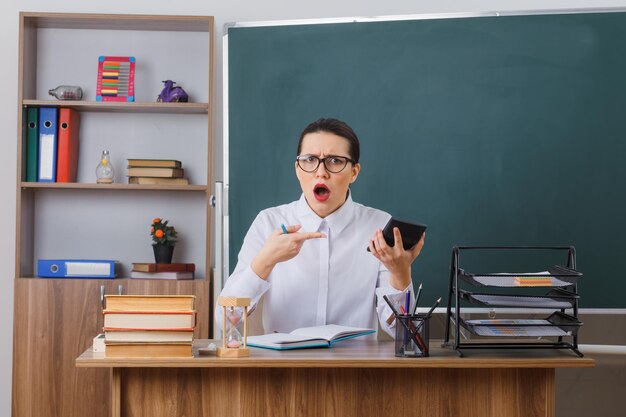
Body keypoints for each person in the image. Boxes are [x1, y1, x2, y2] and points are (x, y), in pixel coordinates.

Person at [216, 118, 425, 338]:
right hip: (284, 367)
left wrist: (400, 274)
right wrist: (264, 262)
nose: (321, 172)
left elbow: (405, 335)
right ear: (298, 169)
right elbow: (224, 322)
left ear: (354, 172)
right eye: (310, 160)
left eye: (335, 161)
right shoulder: (268, 222)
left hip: (356, 368)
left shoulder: (379, 227)